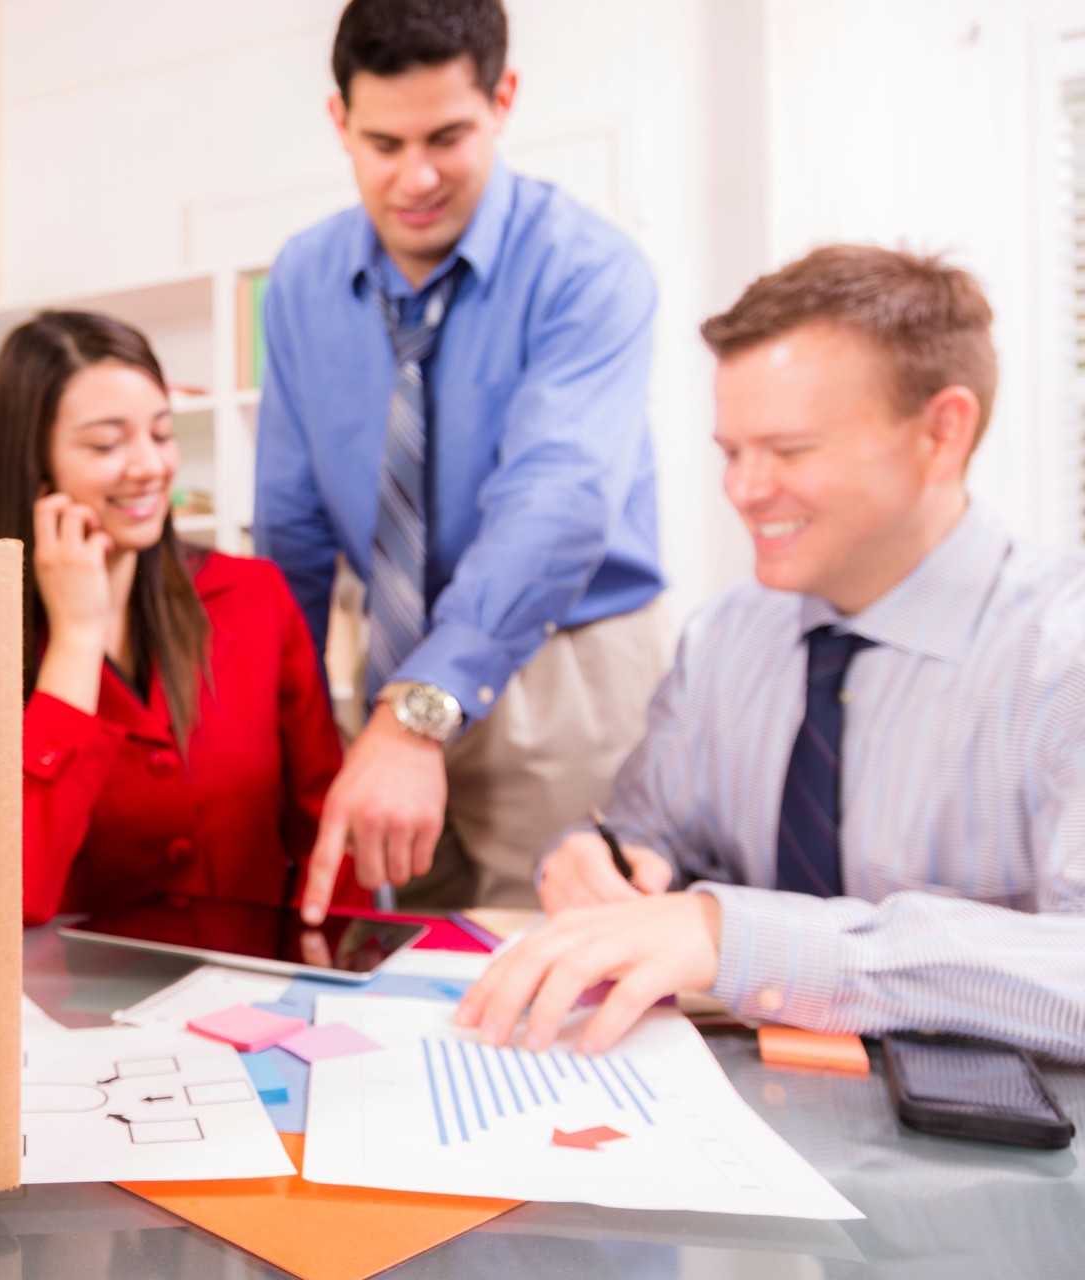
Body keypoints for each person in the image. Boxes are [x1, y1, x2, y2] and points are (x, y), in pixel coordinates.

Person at [457, 245, 1085, 1062]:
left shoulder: (1060, 655)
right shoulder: (724, 638)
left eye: (790, 451)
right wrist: (599, 859)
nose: (744, 490)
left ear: (943, 431)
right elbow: (654, 829)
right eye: (731, 451)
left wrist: (746, 938)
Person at [256, 0, 671, 924]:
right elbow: (291, 520)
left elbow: (556, 504)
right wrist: (279, 715)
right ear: (341, 123)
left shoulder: (588, 271)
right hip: (388, 666)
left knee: (565, 966)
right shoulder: (301, 281)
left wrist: (419, 712)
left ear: (503, 100)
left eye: (448, 136)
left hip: (565, 667)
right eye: (383, 142)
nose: (417, 176)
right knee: (386, 954)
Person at [0, 311, 369, 927]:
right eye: (106, 444)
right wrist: (76, 639)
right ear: (36, 462)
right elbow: (10, 899)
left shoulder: (254, 595)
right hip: (72, 1016)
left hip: (255, 1000)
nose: (149, 467)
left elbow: (329, 837)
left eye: (161, 434)